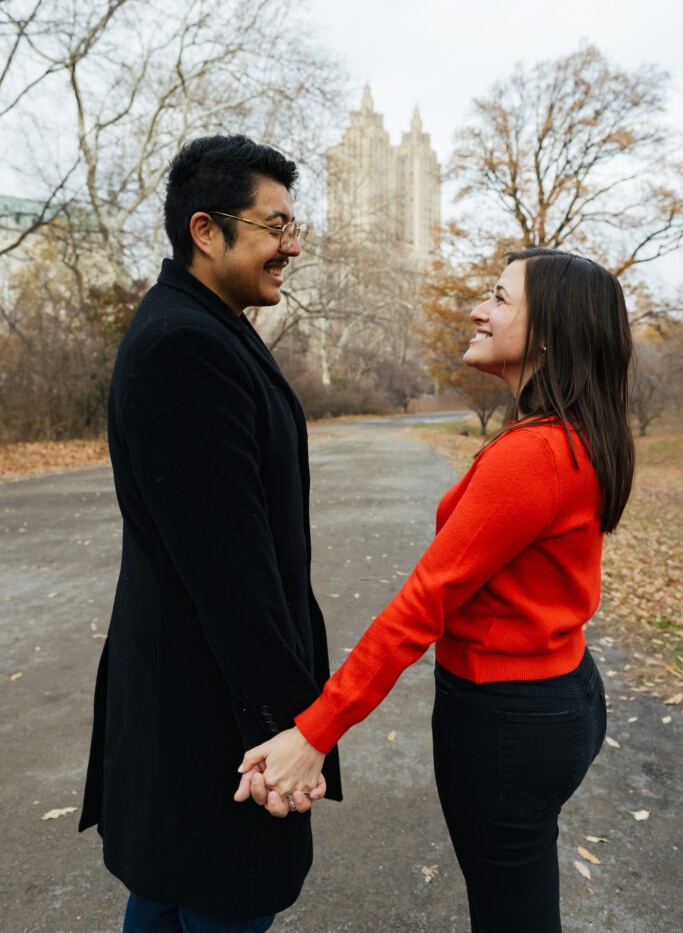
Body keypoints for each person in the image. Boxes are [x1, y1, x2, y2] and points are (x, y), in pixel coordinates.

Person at [237, 248, 635, 933]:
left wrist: (314, 732)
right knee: (520, 893)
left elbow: (420, 606)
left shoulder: (533, 454)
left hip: (508, 719)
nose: (478, 309)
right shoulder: (572, 435)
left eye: (500, 299)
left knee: (510, 912)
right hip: (555, 697)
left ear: (548, 332)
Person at [79, 134, 342, 933]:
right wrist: (290, 730)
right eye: (273, 226)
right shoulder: (183, 347)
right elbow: (231, 573)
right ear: (205, 231)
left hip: (195, 707)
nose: (290, 245)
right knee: (212, 895)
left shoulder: (207, 327)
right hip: (211, 721)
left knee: (168, 893)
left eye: (294, 226)